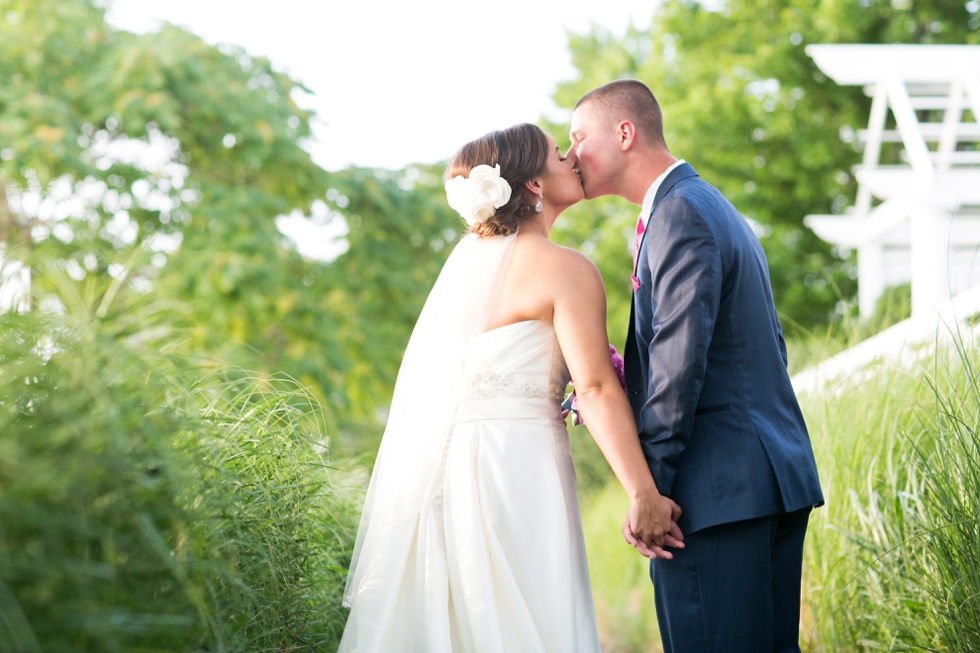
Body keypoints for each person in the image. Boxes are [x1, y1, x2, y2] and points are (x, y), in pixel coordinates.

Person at [337, 123, 682, 652]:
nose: (570, 158)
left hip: (446, 468)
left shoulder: (464, 277)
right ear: (535, 187)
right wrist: (643, 493)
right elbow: (592, 387)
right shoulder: (566, 269)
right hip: (517, 465)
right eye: (556, 154)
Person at [566, 79, 824, 653]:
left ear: (625, 133)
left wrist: (649, 490)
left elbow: (679, 368)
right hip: (761, 479)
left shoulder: (679, 214)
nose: (571, 155)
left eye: (579, 137)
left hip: (716, 495)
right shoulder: (705, 203)